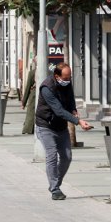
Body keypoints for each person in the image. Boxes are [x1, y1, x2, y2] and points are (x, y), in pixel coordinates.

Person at [35, 62, 92, 200]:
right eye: (65, 78)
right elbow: (59, 110)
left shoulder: (67, 83)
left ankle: (55, 184)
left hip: (61, 126)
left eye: (69, 78)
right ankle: (55, 189)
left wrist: (73, 109)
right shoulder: (47, 88)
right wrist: (78, 121)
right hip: (46, 126)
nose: (68, 81)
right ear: (56, 76)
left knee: (67, 157)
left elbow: (70, 98)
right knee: (52, 155)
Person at [21, 59, 36, 135]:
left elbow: (27, 88)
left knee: (31, 112)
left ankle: (28, 129)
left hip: (34, 95)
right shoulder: (50, 72)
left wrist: (23, 102)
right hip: (45, 94)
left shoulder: (32, 73)